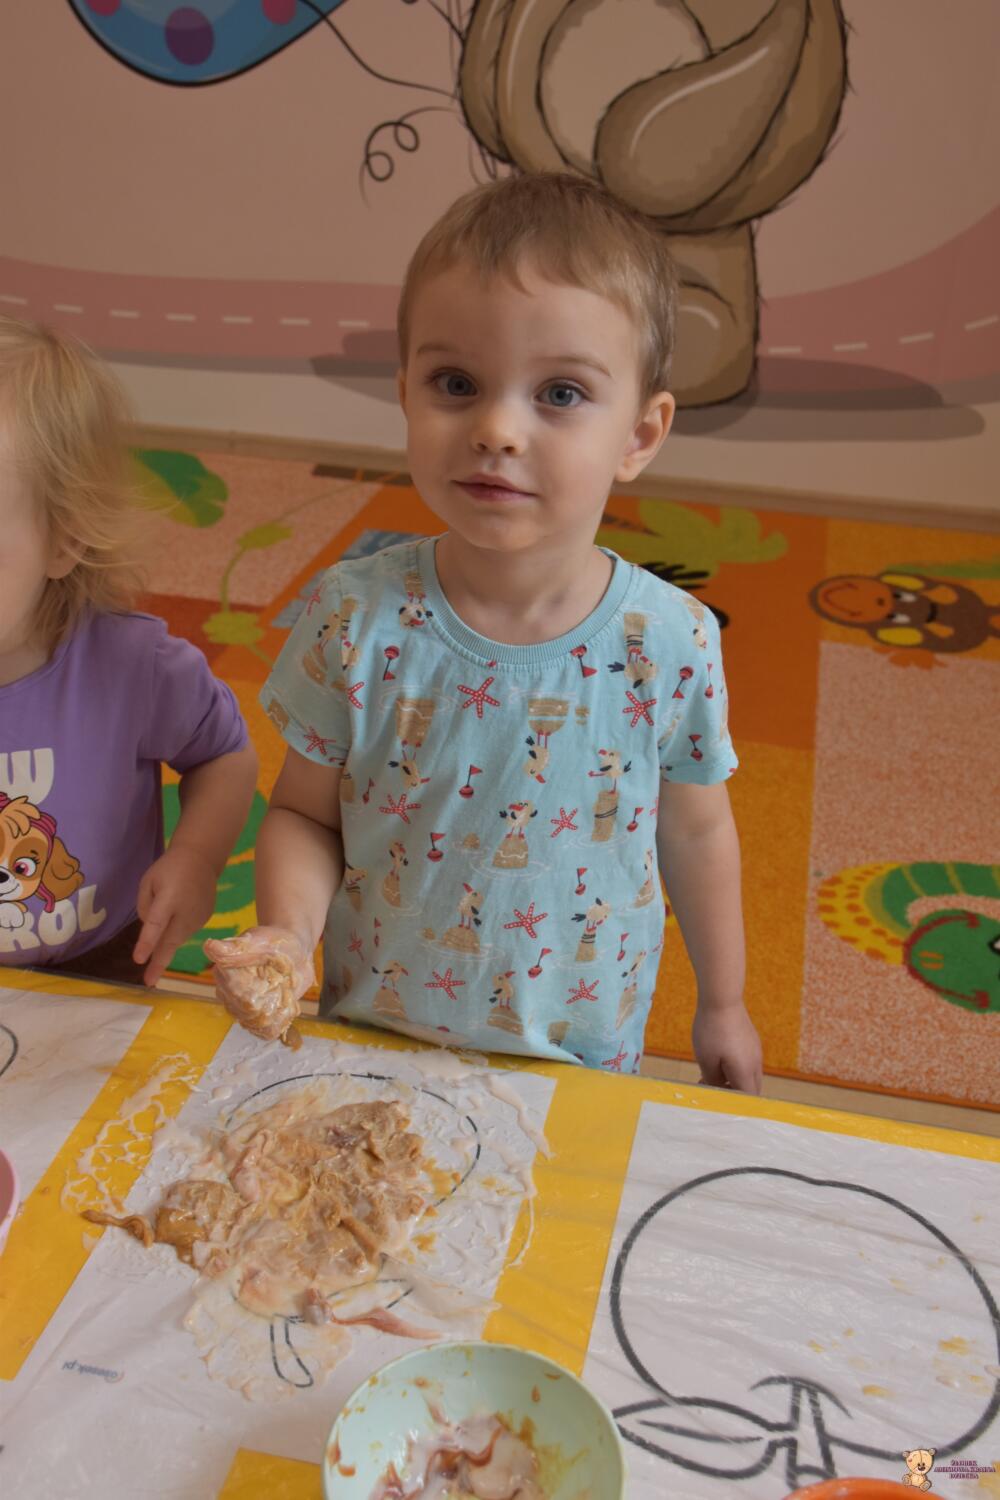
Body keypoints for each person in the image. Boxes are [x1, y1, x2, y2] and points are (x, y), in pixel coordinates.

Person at [210, 172, 762, 1090]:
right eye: (457, 383)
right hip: (370, 1032)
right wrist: (288, 932)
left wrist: (725, 1005)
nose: (497, 428)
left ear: (640, 435)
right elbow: (305, 813)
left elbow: (698, 836)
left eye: (561, 393)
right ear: (406, 393)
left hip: (580, 1058)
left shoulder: (671, 643)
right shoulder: (354, 617)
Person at [0, 317, 257, 986]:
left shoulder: (133, 669)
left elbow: (224, 754)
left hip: (101, 957)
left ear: (63, 541)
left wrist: (197, 858)